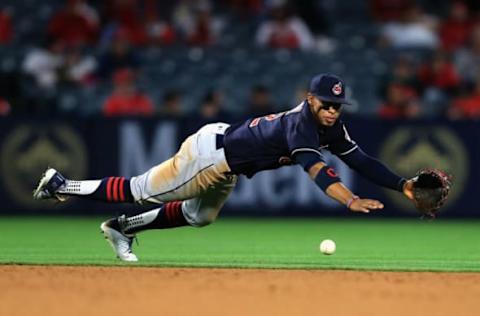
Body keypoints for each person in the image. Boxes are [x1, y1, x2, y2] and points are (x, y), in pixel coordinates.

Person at [33, 74, 416, 262]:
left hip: (226, 156)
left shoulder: (329, 126)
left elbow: (360, 160)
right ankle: (62, 185)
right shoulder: (301, 124)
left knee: (200, 216)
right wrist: (348, 200)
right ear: (309, 99)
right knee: (139, 189)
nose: (333, 110)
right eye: (325, 103)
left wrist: (403, 186)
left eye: (338, 106)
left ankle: (120, 227)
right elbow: (315, 169)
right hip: (210, 158)